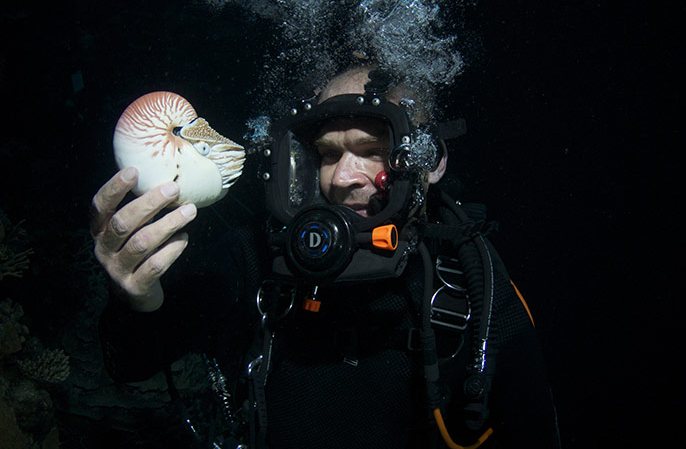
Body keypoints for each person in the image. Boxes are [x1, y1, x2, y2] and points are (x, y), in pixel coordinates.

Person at [92, 65, 561, 448]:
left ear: (431, 162)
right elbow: (131, 362)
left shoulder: (471, 279)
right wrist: (134, 296)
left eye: (372, 150)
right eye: (328, 154)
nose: (343, 178)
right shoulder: (258, 254)